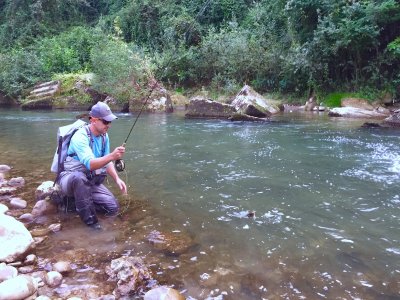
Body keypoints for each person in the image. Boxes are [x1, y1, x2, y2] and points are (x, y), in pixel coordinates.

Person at [58, 101, 127, 230]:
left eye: (110, 122)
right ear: (94, 120)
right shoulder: (80, 136)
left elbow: (107, 161)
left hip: (89, 182)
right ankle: (92, 224)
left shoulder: (104, 136)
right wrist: (112, 155)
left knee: (113, 207)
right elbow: (90, 164)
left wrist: (117, 179)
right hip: (69, 179)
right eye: (106, 122)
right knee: (79, 178)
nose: (109, 125)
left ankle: (76, 203)